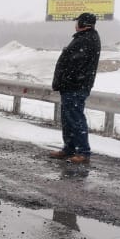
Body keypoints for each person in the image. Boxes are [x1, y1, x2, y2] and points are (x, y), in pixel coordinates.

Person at [49, 12, 102, 164]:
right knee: (68, 119)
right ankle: (69, 148)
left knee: (75, 119)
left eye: (77, 21)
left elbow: (75, 65)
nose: (75, 24)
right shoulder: (84, 38)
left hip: (75, 86)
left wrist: (65, 79)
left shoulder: (87, 40)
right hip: (71, 86)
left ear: (83, 24)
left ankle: (83, 152)